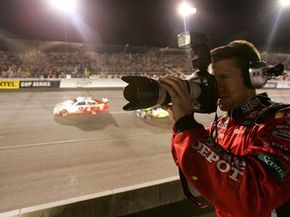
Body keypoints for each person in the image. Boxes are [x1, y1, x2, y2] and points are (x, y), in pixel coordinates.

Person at [159, 40, 290, 217]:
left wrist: (186, 125)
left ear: (253, 77)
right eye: (214, 79)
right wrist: (180, 123)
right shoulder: (220, 125)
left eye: (224, 78)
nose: (216, 87)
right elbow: (192, 164)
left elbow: (255, 194)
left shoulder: (280, 120)